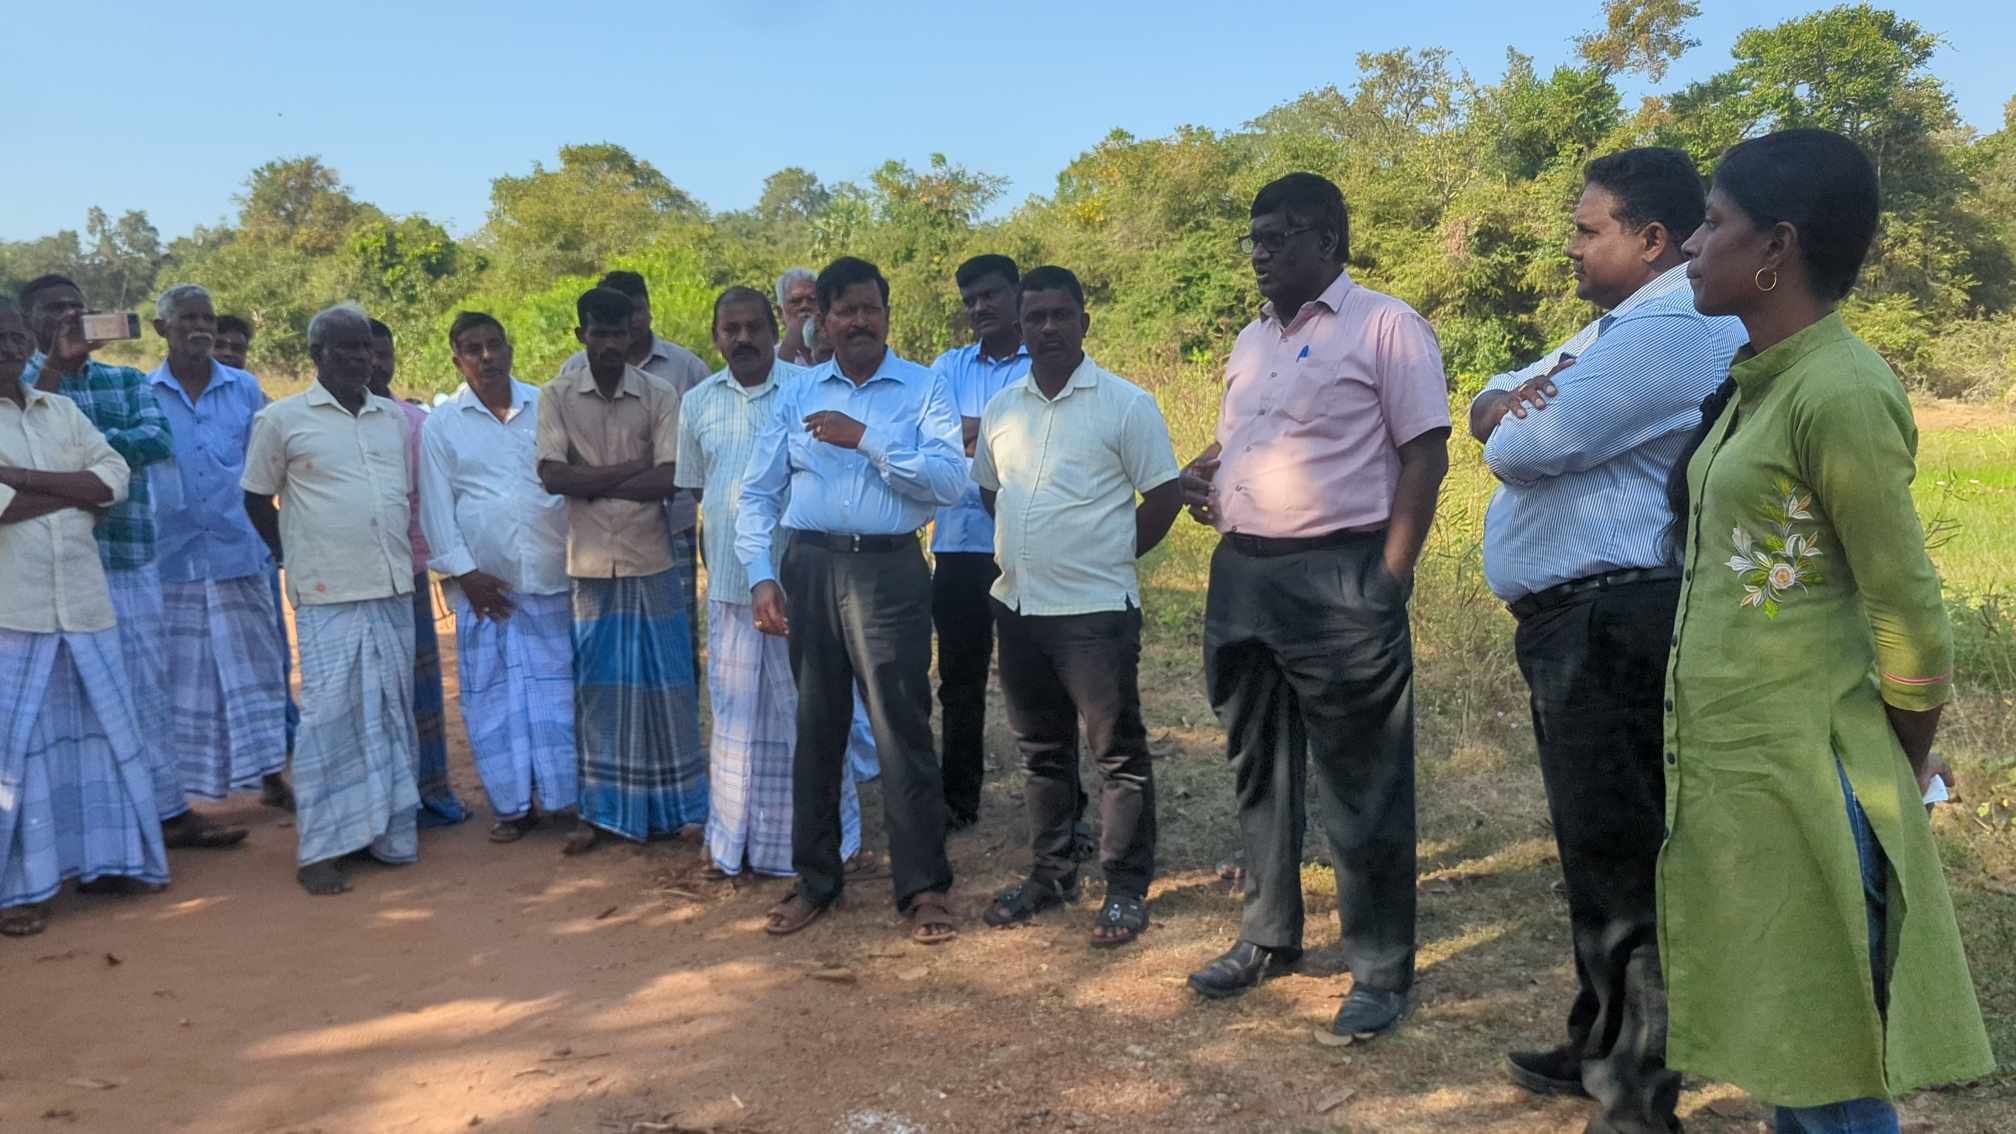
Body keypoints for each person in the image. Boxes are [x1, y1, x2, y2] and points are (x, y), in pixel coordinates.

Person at [1663, 127, 1993, 1134]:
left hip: (1813, 774)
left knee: (1830, 1059)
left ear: (1777, 247)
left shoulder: (1839, 389)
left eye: (1712, 223)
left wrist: (1898, 764)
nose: (1691, 245)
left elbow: (1908, 610)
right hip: (1751, 768)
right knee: (1789, 1040)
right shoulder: (1766, 379)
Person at [1466, 148, 1746, 1133]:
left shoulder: (1677, 325)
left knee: (1626, 861)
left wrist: (1515, 410)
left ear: (1652, 238)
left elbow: (1525, 440)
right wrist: (1511, 398)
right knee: (1592, 850)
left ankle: (1637, 1098)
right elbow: (1493, 393)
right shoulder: (1616, 328)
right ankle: (1597, 1043)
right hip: (1578, 621)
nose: (1573, 249)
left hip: (1616, 619)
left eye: (1589, 231)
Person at [1180, 174, 1450, 1045]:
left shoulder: (1386, 325)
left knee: (1362, 780)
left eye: (1279, 238)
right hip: (1244, 577)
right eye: (1254, 238)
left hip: (1341, 579)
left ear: (1327, 240)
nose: (1260, 254)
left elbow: (1425, 454)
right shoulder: (1252, 338)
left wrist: (1388, 580)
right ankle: (1268, 934)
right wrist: (1206, 473)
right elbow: (1246, 437)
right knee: (1260, 766)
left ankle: (1378, 968)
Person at [737, 256, 965, 944]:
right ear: (822, 321)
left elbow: (949, 481)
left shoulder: (924, 387)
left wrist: (866, 438)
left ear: (887, 315)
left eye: (871, 309)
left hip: (889, 570)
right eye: (845, 311)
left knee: (901, 727)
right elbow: (758, 491)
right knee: (817, 727)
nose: (859, 321)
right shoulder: (797, 392)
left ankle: (923, 887)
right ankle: (816, 880)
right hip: (809, 568)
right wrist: (760, 574)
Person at [972, 266, 1181, 948]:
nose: (1048, 328)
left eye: (1061, 315)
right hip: (1019, 607)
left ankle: (1125, 887)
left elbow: (1165, 496)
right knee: (1041, 753)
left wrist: (1110, 554)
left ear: (1084, 321)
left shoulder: (1126, 405)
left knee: (1115, 754)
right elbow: (991, 492)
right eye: (1035, 318)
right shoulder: (1003, 409)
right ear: (1019, 328)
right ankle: (1052, 873)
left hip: (1095, 613)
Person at [21, 275, 247, 851]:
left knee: (145, 691)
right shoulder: (17, 386)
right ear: (28, 323)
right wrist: (88, 467)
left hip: (128, 558)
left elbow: (154, 440)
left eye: (76, 306)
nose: (69, 316)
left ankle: (167, 813)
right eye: (54, 309)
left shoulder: (124, 379)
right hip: (46, 569)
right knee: (61, 703)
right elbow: (32, 442)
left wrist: (73, 464)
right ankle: (79, 839)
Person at [677, 286, 866, 879]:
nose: (743, 339)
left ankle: (825, 841)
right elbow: (699, 490)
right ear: (716, 337)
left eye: (753, 327)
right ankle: (733, 844)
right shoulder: (697, 402)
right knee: (735, 720)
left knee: (807, 718)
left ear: (773, 327)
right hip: (732, 589)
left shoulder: (808, 390)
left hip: (803, 587)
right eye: (730, 329)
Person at [0, 297, 169, 938]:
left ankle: (109, 862)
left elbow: (112, 479)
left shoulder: (61, 410)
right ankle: (17, 890)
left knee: (102, 737)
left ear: (28, 341)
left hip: (83, 602)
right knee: (16, 756)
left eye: (13, 336)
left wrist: (19, 477)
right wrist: (67, 490)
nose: (6, 348)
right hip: (13, 612)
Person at [242, 303, 424, 896]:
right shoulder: (281, 419)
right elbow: (255, 499)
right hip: (327, 593)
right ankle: (321, 849)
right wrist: (291, 554)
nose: (358, 358)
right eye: (344, 348)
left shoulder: (392, 418)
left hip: (391, 586)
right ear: (316, 354)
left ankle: (386, 833)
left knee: (390, 712)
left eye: (364, 347)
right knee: (328, 719)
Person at [537, 287, 706, 855]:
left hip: (650, 557)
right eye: (599, 333)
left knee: (668, 687)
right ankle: (601, 811)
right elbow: (552, 476)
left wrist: (591, 479)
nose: (609, 344)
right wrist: (631, 470)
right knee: (598, 692)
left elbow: (672, 476)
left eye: (618, 333)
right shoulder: (557, 394)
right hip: (589, 564)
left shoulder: (659, 393)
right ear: (580, 335)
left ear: (632, 333)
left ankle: (680, 809)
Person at [418, 312, 577, 843]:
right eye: (473, 348)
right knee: (494, 700)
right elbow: (437, 507)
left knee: (557, 694)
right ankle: (512, 808)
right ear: (456, 359)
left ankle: (564, 799)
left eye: (494, 345)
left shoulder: (547, 404)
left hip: (552, 575)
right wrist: (467, 575)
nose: (487, 356)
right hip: (485, 591)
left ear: (509, 348)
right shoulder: (442, 424)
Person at [145, 285, 293, 821]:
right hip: (173, 559)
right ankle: (180, 800)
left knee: (257, 670)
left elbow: (268, 465)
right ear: (162, 329)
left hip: (239, 551)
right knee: (181, 680)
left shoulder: (245, 389)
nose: (201, 328)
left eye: (207, 318)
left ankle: (272, 775)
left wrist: (276, 541)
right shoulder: (144, 393)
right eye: (188, 319)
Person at [566, 270, 711, 672]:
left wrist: (597, 481)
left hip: (671, 527)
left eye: (636, 311)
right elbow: (563, 465)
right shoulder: (572, 373)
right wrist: (639, 472)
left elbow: (690, 459)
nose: (629, 323)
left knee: (674, 639)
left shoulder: (685, 368)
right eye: (615, 316)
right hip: (597, 535)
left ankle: (678, 714)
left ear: (649, 309)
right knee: (608, 645)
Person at [928, 254, 1029, 831]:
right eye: (970, 300)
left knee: (1037, 679)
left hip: (1026, 543)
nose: (980, 307)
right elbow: (931, 438)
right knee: (959, 682)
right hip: (959, 544)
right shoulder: (948, 365)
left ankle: (1061, 808)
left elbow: (1040, 440)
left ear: (1016, 294)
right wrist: (997, 430)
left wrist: (971, 431)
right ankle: (957, 801)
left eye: (990, 295)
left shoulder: (1044, 360)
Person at [367, 319, 467, 827]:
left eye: (384, 354)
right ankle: (378, 804)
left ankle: (430, 792)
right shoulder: (316, 422)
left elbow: (431, 499)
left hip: (407, 574)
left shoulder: (413, 422)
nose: (375, 364)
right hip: (349, 581)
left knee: (420, 692)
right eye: (365, 353)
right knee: (368, 695)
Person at [210, 312, 299, 793]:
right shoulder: (157, 392)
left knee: (268, 656)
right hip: (191, 556)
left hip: (251, 546)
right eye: (220, 344)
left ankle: (276, 759)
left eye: (237, 347)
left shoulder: (251, 395)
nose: (228, 353)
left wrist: (279, 545)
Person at [775, 267, 819, 364]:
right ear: (780, 312)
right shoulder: (770, 359)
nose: (805, 306)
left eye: (812, 299)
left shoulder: (837, 352)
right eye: (795, 301)